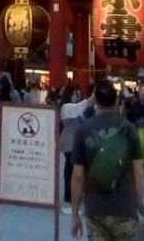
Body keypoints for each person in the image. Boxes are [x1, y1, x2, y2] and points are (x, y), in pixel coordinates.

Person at [71, 80, 144, 241]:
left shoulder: (83, 130)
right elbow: (139, 173)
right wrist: (138, 207)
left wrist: (75, 214)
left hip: (95, 208)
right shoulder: (129, 128)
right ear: (117, 100)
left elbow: (77, 176)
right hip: (125, 207)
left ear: (95, 101)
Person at [60, 86, 92, 214]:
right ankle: (69, 200)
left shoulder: (74, 108)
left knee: (73, 171)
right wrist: (91, 99)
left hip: (76, 143)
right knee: (71, 172)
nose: (75, 96)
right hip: (69, 143)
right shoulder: (66, 107)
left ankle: (73, 198)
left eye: (76, 94)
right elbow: (78, 108)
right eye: (73, 94)